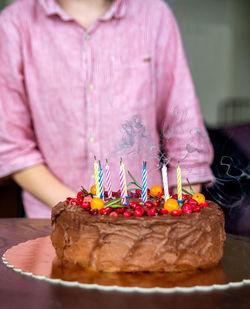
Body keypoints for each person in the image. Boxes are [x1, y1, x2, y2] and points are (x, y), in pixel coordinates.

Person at [0, 0, 214, 218]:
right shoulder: (15, 22)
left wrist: (183, 218)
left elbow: (184, 127)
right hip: (52, 223)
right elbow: (13, 146)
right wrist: (82, 212)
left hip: (146, 223)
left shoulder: (154, 14)